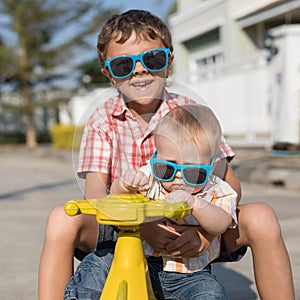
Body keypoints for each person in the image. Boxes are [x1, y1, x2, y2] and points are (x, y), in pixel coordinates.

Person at [38, 9, 295, 300]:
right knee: (61, 218)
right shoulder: (103, 120)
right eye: (123, 64)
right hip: (124, 227)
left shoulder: (190, 112)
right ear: (109, 75)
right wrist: (144, 226)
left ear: (169, 62)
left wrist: (205, 233)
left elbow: (230, 186)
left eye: (152, 59)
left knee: (261, 217)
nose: (139, 70)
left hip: (196, 222)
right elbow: (96, 196)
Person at [110, 103, 238, 299]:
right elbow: (116, 200)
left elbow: (220, 224)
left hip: (191, 276)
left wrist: (196, 204)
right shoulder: (150, 177)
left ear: (211, 167)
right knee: (96, 267)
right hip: (142, 265)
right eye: (167, 168)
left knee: (210, 293)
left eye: (193, 172)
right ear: (156, 158)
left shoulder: (216, 189)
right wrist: (124, 184)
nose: (178, 177)